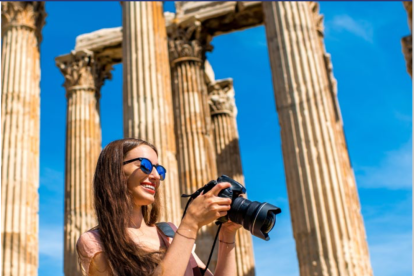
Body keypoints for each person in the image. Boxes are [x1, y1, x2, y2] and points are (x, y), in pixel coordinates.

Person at [77, 138, 242, 276]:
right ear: (115, 172)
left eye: (159, 169)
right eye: (145, 166)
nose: (156, 176)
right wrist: (190, 223)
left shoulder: (169, 233)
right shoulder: (95, 241)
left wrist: (227, 234)